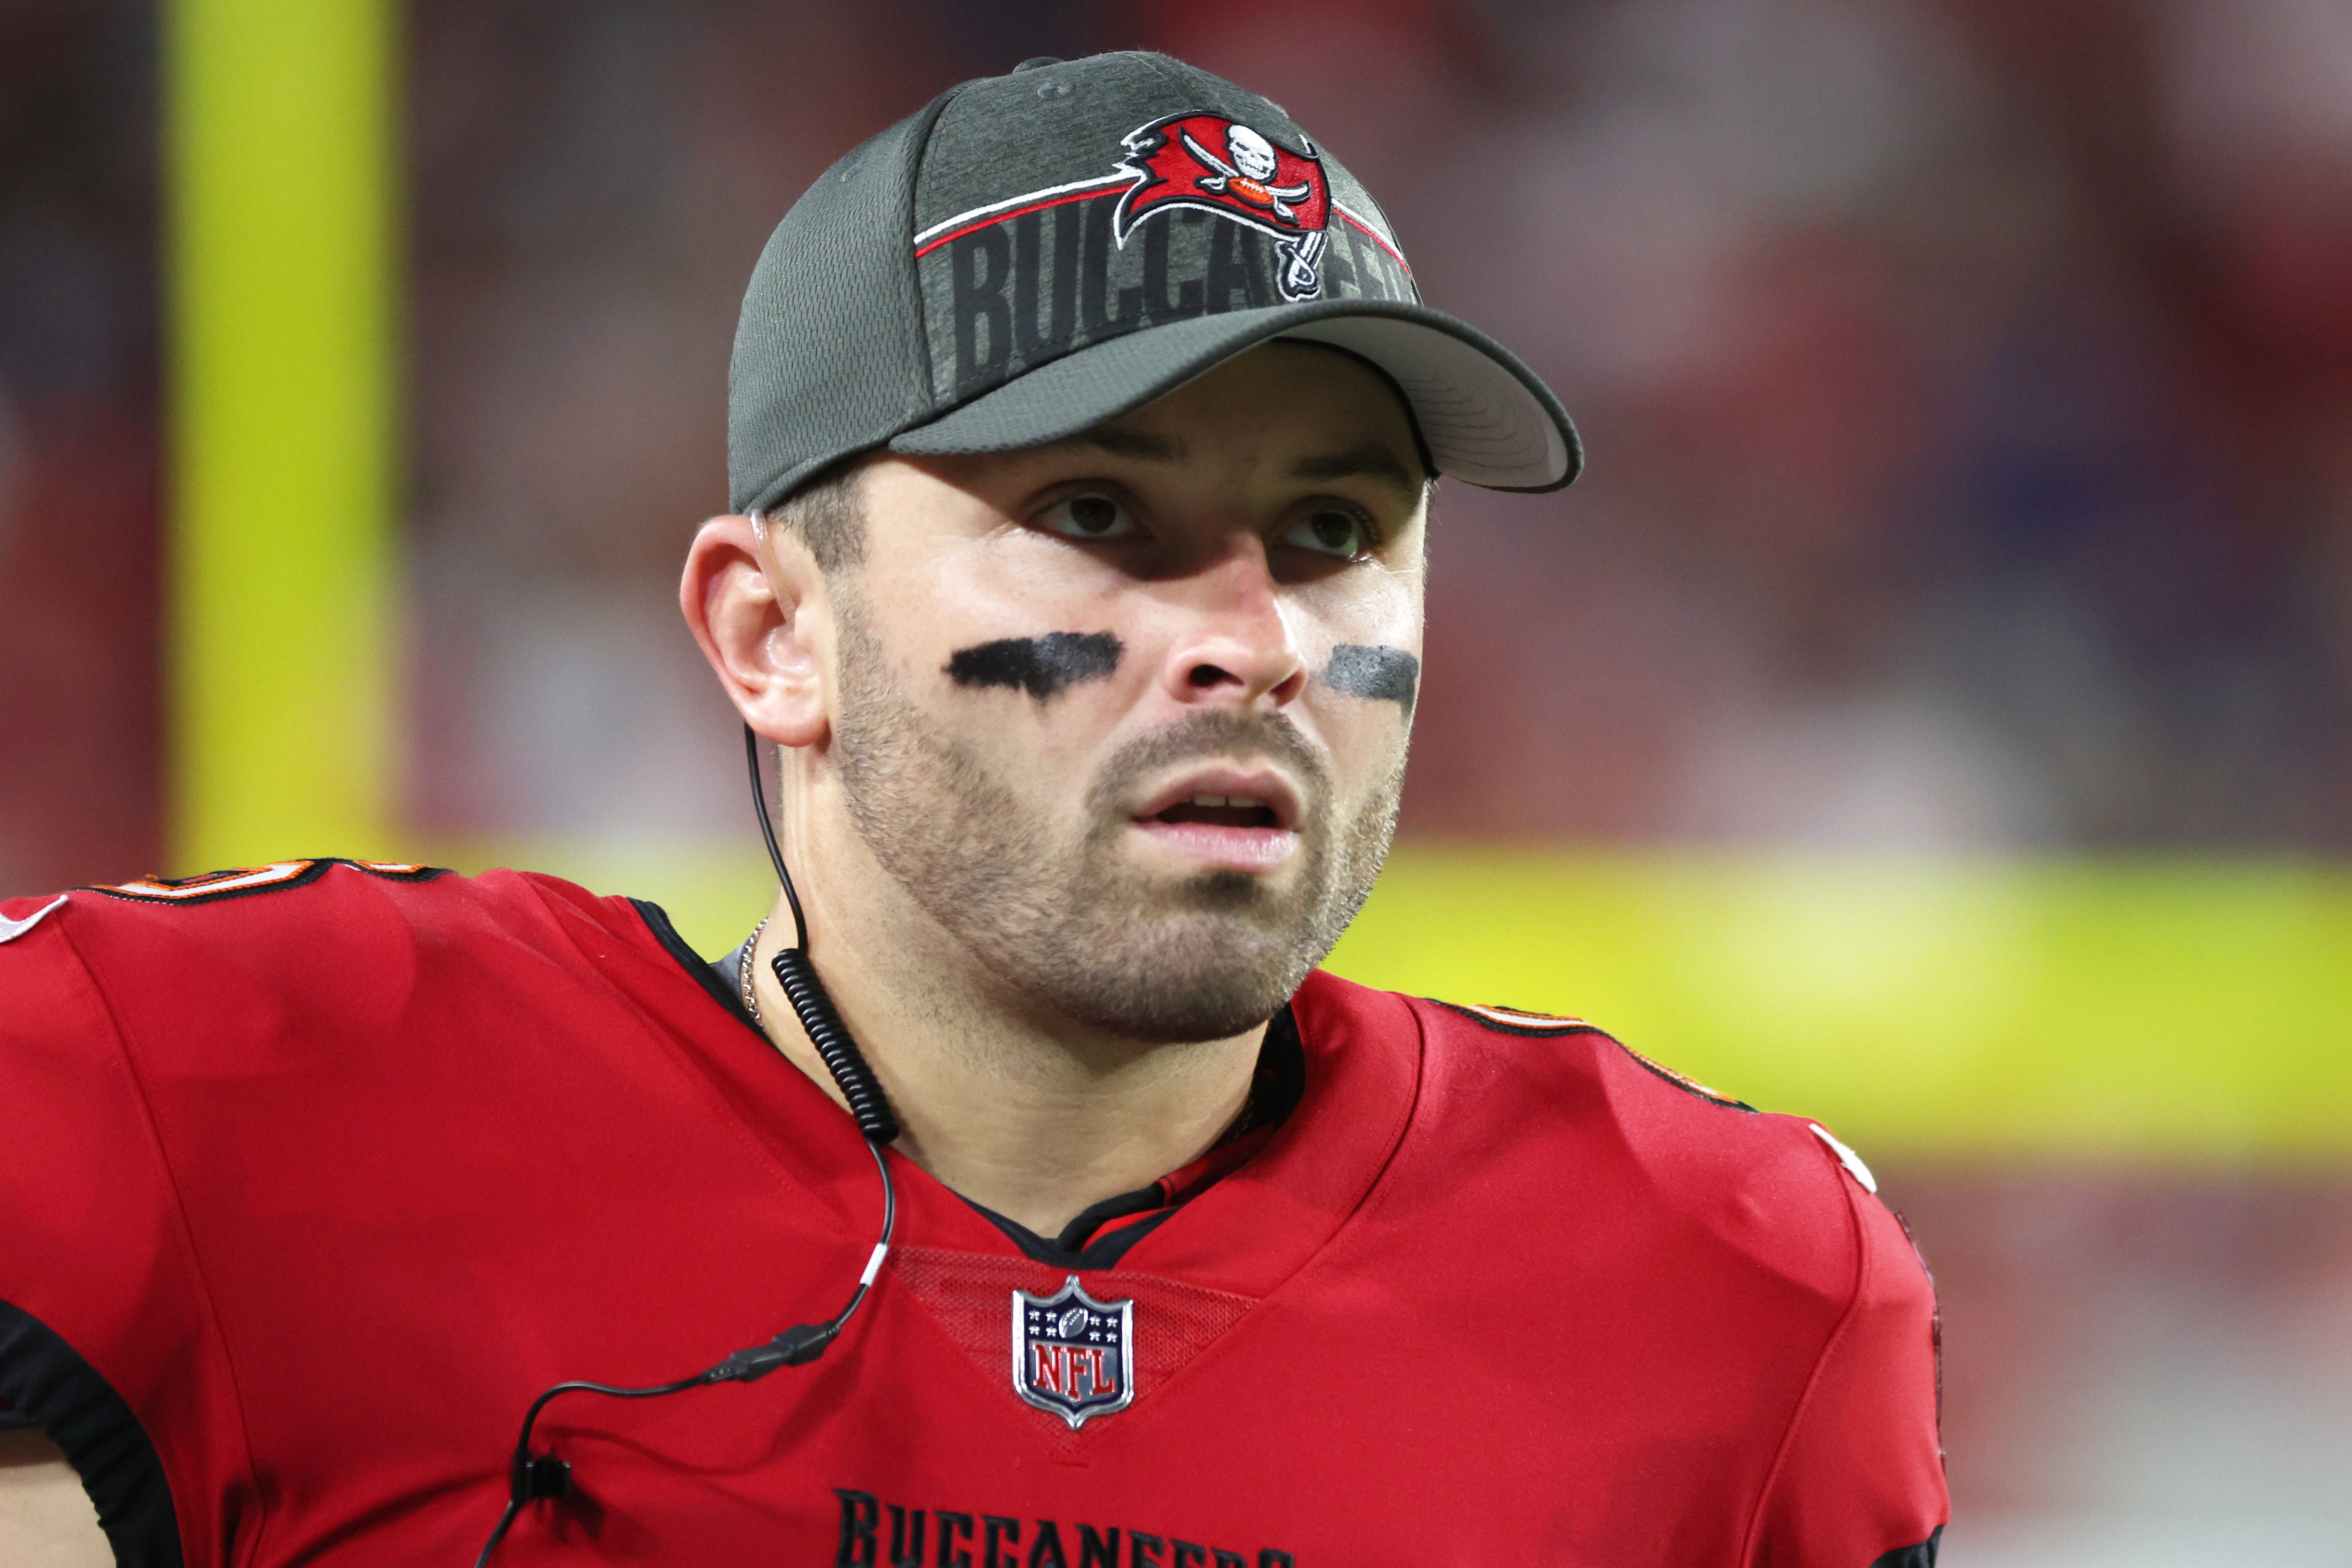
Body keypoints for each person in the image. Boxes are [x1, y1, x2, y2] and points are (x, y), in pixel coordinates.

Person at [0, 51, 1946, 1568]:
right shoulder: (260, 1110)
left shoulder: (1722, 1287)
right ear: (773, 633)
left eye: (1334, 529)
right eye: (1096, 515)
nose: (1254, 641)